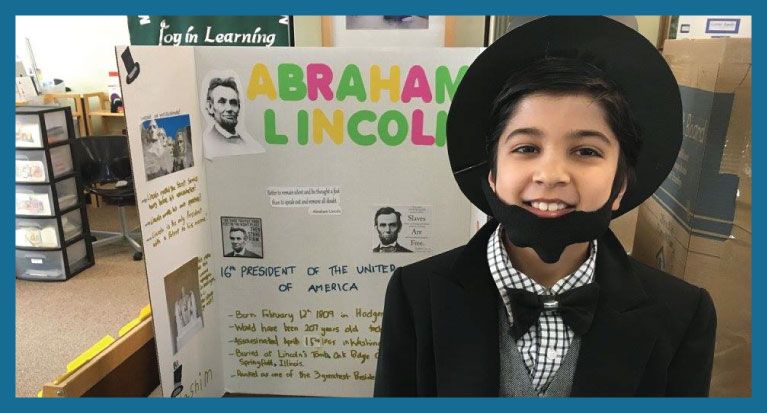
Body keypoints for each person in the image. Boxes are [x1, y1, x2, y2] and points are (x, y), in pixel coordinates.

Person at [374, 16, 716, 397]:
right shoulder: (416, 294)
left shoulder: (684, 314)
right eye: (526, 148)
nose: (551, 174)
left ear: (620, 183)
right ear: (492, 173)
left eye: (586, 151)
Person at [202, 76, 264, 160]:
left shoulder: (249, 143)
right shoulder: (207, 145)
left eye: (233, 103)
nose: (229, 109)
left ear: (239, 107)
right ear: (210, 107)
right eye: (222, 102)